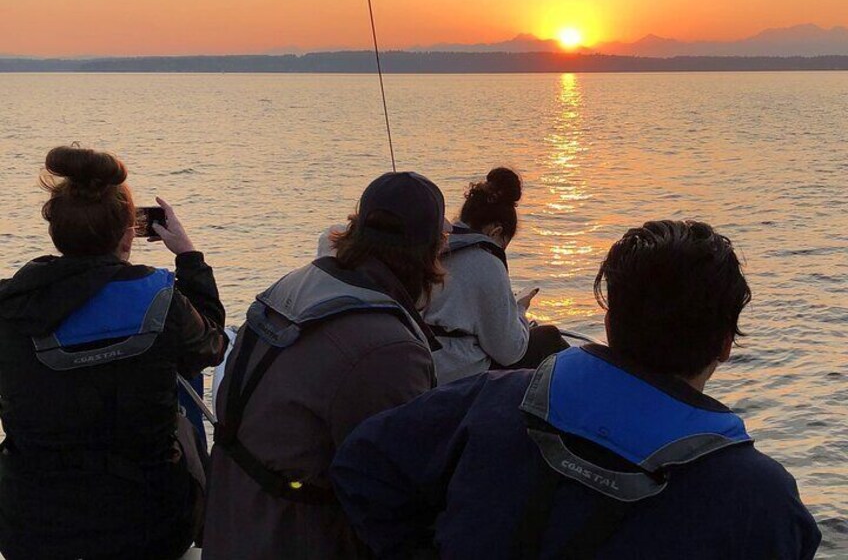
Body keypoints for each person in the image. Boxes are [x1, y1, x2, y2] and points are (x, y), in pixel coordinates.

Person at [331, 220, 822, 559]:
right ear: (723, 345)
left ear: (609, 321)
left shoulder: (487, 402)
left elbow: (361, 466)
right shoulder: (764, 502)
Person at [204, 172, 448, 560]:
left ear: (353, 229)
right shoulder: (389, 349)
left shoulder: (297, 284)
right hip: (298, 538)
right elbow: (399, 493)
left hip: (235, 521)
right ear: (433, 251)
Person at [0, 145, 227, 559]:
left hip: (32, 528)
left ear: (56, 230)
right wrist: (189, 258)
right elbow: (211, 346)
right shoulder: (160, 299)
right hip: (151, 526)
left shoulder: (10, 305)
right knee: (184, 426)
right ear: (128, 230)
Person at [423, 167, 567, 384]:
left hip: (423, 361)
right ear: (496, 232)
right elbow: (510, 351)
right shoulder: (486, 261)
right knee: (549, 339)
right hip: (455, 372)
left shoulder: (432, 247)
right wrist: (519, 310)